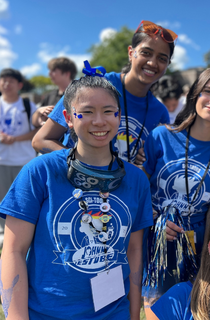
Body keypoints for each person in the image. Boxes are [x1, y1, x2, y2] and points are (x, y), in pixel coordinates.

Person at [0, 66, 153, 319]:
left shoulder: (136, 180)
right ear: (68, 118)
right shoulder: (41, 171)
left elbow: (135, 251)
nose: (99, 121)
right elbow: (13, 250)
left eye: (108, 112)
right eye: (87, 112)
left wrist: (134, 316)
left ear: (119, 115)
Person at [141, 67, 210, 318]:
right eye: (208, 91)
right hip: (156, 247)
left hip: (199, 249)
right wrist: (155, 221)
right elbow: (138, 192)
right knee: (157, 313)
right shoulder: (161, 137)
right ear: (195, 95)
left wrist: (209, 261)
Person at [32, 20, 173, 161]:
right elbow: (41, 140)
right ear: (131, 53)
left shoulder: (160, 114)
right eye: (146, 53)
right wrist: (83, 164)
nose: (152, 63)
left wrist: (145, 159)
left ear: (168, 64)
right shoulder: (93, 85)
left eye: (162, 58)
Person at [0, 68, 39, 247]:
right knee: (2, 199)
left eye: (10, 81)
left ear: (19, 85)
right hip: (2, 161)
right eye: (3, 80)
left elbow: (38, 130)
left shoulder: (28, 105)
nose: (6, 84)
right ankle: (4, 235)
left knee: (23, 201)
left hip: (24, 161)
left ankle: (24, 237)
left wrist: (14, 139)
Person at [32, 57, 77, 127]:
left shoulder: (78, 94)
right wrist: (38, 112)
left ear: (67, 73)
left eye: (53, 70)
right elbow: (35, 124)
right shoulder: (49, 96)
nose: (49, 73)